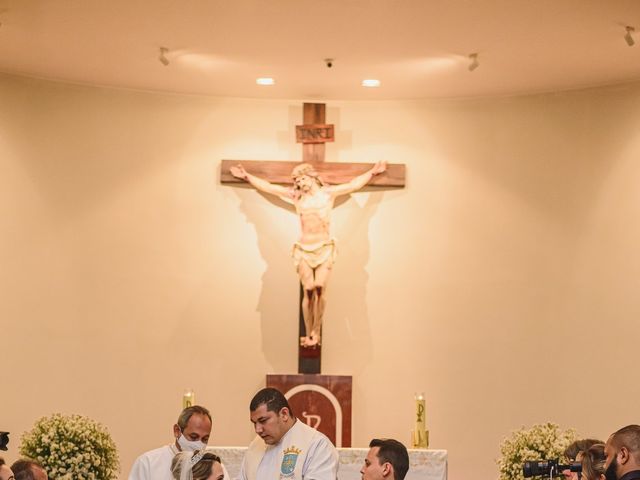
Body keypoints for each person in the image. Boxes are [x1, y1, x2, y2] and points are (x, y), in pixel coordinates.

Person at [230, 161, 387, 347]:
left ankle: (316, 331)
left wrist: (373, 172)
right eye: (297, 181)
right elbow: (270, 188)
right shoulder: (297, 197)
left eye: (302, 179)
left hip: (324, 248)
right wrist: (247, 176)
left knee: (320, 287)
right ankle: (308, 331)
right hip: (304, 249)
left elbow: (353, 184)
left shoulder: (328, 195)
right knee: (309, 290)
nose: (299, 183)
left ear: (311, 177)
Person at [239, 387, 338, 480]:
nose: (258, 429)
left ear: (284, 414)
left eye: (263, 420)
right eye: (254, 423)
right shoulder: (255, 446)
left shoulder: (317, 445)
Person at [129, 405, 228, 480]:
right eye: (193, 437)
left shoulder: (217, 469)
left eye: (205, 439)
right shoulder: (148, 463)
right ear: (177, 431)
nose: (199, 444)